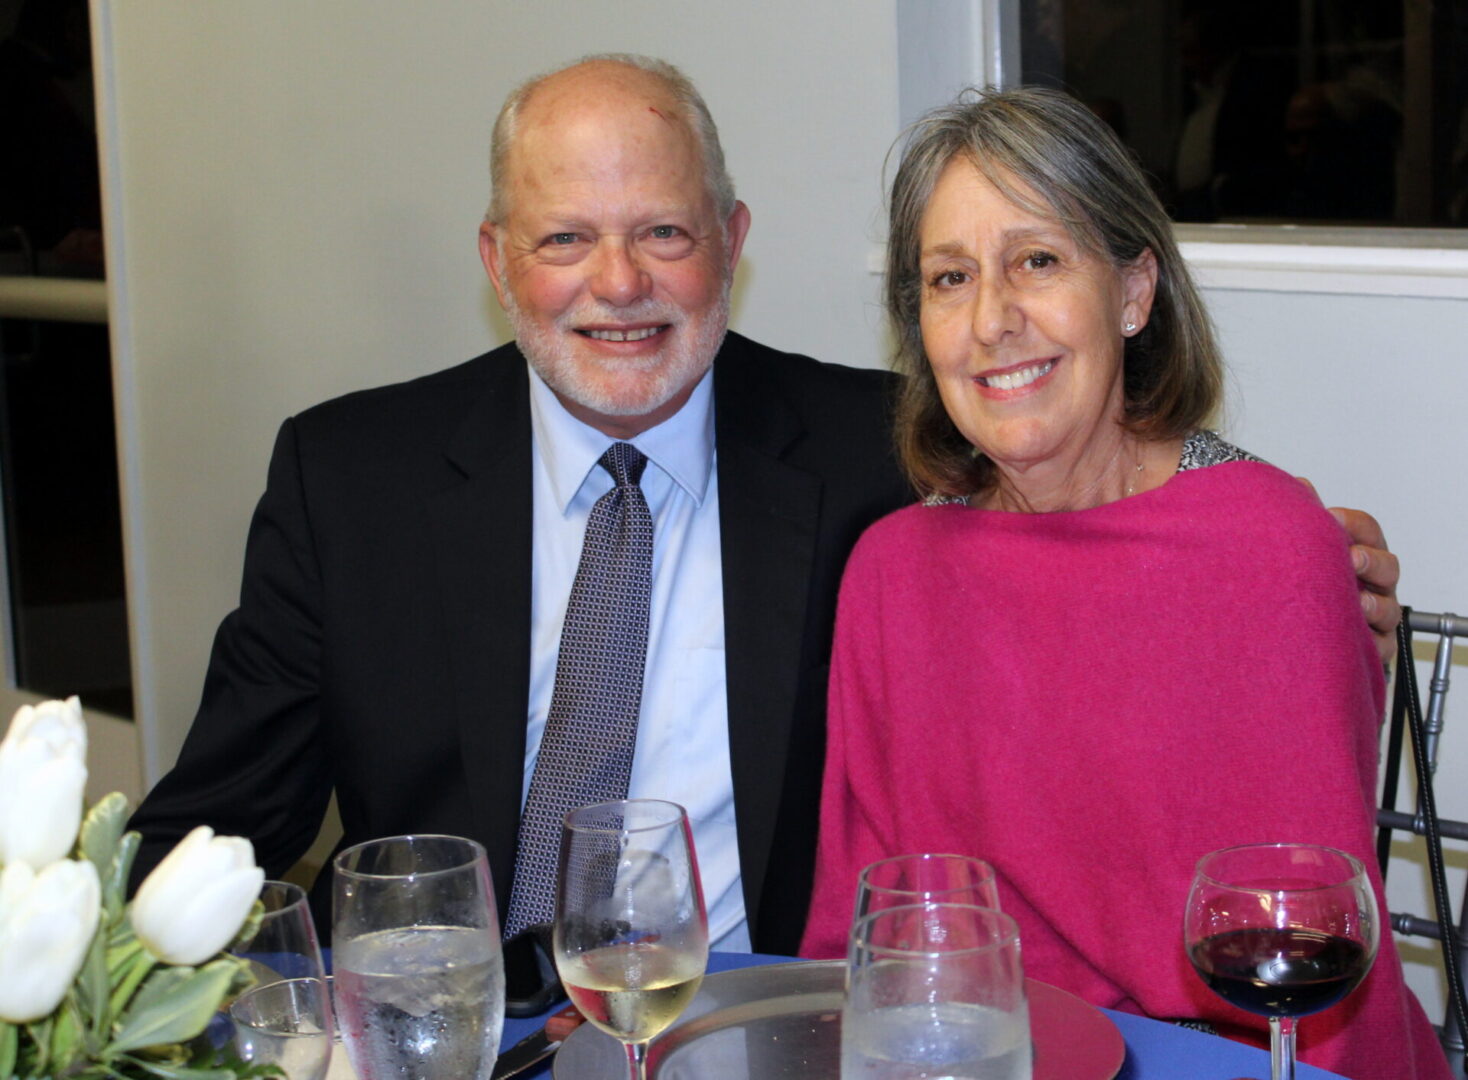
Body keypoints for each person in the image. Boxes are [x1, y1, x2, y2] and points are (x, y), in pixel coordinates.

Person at [128, 57, 1401, 960]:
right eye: (565, 238)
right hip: (456, 1034)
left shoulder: (884, 452)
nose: (618, 284)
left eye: (664, 232)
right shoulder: (351, 483)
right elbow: (208, 842)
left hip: (752, 1031)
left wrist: (1263, 516)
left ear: (732, 244)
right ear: (497, 261)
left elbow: (1077, 455)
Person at [798, 87, 1446, 1079]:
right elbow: (867, 941)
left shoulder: (1267, 548)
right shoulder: (893, 573)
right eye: (948, 277)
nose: (992, 319)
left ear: (1133, 293)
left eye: (1038, 261)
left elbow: (1312, 966)